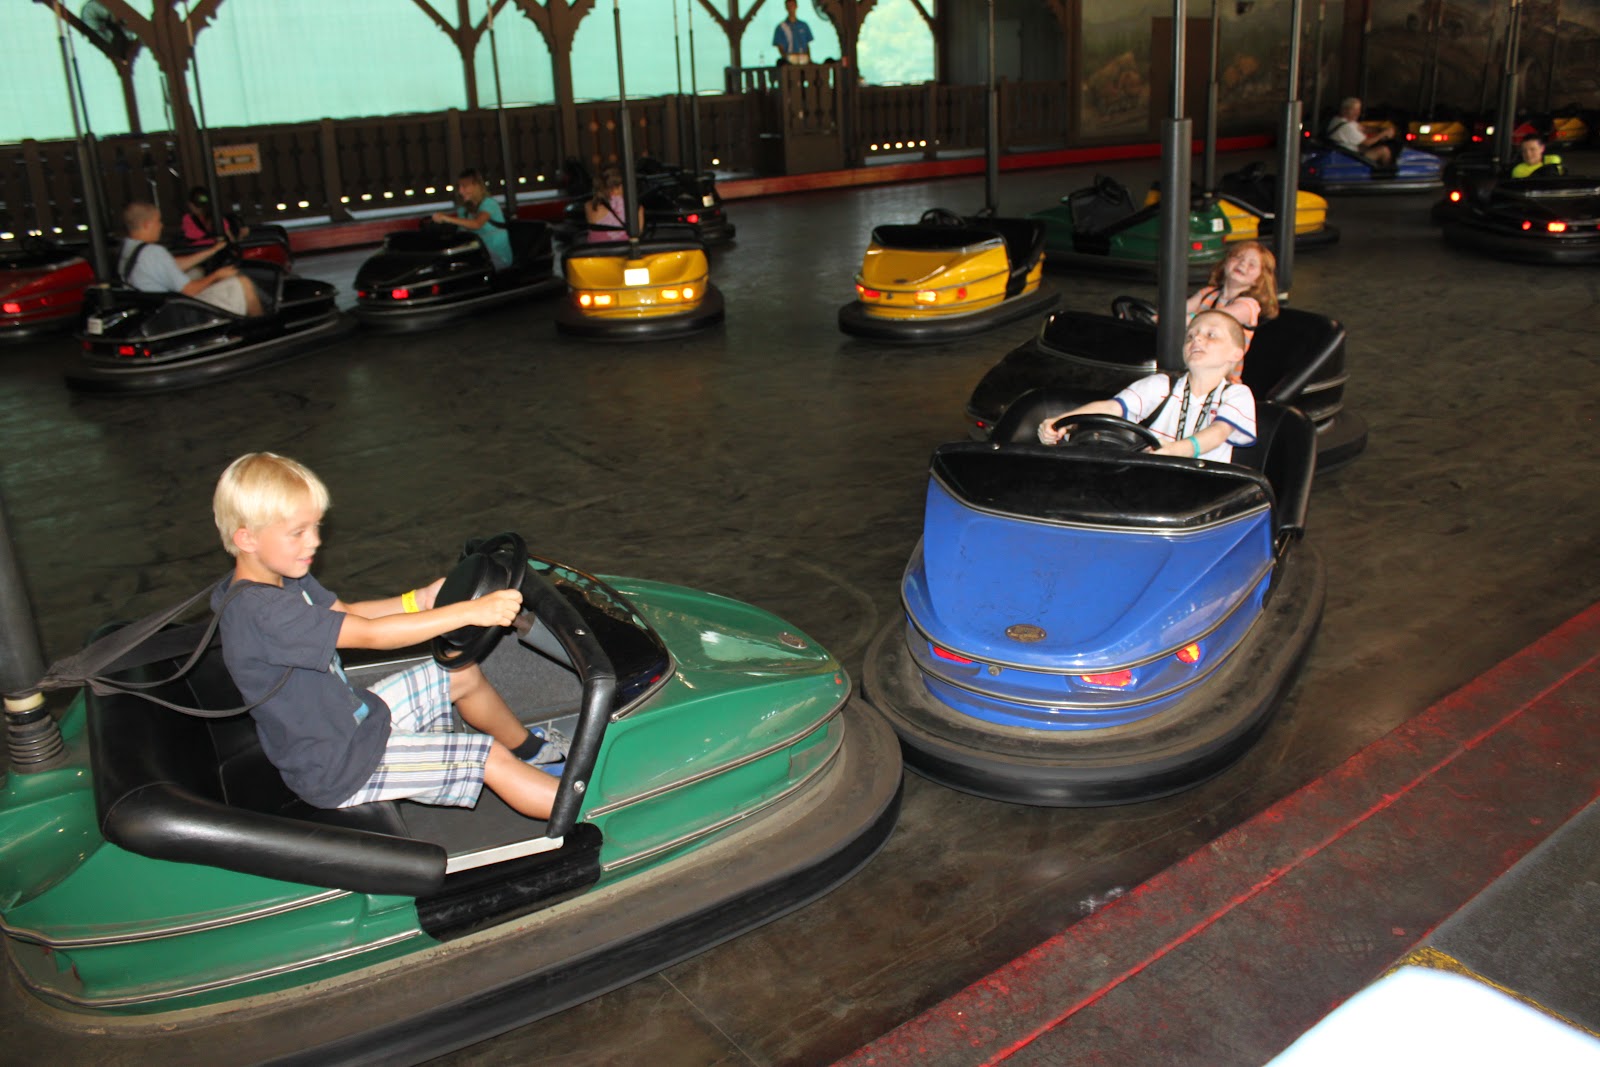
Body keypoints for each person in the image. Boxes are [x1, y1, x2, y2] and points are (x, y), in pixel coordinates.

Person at [210, 452, 568, 819]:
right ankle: (590, 814)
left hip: (352, 719)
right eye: (298, 532)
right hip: (340, 766)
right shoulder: (263, 612)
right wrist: (470, 612)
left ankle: (533, 752)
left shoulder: (284, 574)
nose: (314, 542)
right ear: (247, 539)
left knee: (460, 674)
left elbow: (348, 614)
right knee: (488, 757)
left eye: (316, 526)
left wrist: (419, 600)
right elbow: (370, 635)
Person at [1037, 310, 1257, 464]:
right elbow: (1112, 408)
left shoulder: (1236, 395)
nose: (1196, 339)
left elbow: (1219, 432)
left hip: (1203, 486)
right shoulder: (1161, 385)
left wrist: (1177, 451)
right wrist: (1063, 421)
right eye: (1190, 335)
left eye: (1211, 335)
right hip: (1152, 476)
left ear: (1236, 354)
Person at [121, 201, 264, 317]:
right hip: (173, 310)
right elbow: (189, 290)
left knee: (196, 272)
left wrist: (211, 251)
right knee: (242, 283)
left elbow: (173, 265)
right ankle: (258, 325)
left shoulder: (130, 249)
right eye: (158, 221)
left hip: (151, 307)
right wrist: (217, 275)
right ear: (147, 225)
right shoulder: (154, 252)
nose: (161, 226)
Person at [1185, 239, 1278, 372]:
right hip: (1192, 367)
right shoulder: (1207, 294)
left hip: (1221, 379)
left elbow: (1213, 319)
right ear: (1225, 263)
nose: (1242, 264)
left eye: (1252, 264)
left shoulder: (1248, 306)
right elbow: (1177, 312)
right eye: (1238, 257)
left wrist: (1185, 319)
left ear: (1259, 279)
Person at [431, 169, 512, 270]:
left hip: (497, 258)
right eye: (459, 187)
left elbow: (477, 224)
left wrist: (447, 218)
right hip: (479, 256)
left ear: (477, 186)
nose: (460, 191)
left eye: (464, 187)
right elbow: (462, 235)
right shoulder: (464, 209)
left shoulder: (489, 203)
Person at [1325, 97, 1399, 167]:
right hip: (1351, 158)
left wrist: (1380, 130)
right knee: (1384, 150)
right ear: (1344, 110)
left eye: (1358, 110)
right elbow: (1367, 143)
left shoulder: (1339, 120)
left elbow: (1363, 128)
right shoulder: (1346, 127)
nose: (1357, 113)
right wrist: (1383, 134)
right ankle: (1387, 175)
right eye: (1354, 110)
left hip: (1348, 154)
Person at [582, 164, 640, 243]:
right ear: (619, 187)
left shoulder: (588, 206)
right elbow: (637, 237)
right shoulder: (636, 208)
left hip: (596, 253)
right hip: (623, 253)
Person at [180, 185, 248, 245]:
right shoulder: (217, 218)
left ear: (190, 204)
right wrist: (241, 236)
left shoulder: (187, 219)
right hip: (213, 255)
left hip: (196, 256)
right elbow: (231, 241)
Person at [773, 0, 813, 65]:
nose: (791, 8)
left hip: (804, 58)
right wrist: (786, 58)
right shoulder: (781, 27)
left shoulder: (804, 25)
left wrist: (809, 58)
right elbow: (779, 46)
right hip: (790, 59)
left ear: (796, 6)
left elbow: (807, 44)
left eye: (792, 6)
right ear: (786, 8)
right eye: (788, 6)